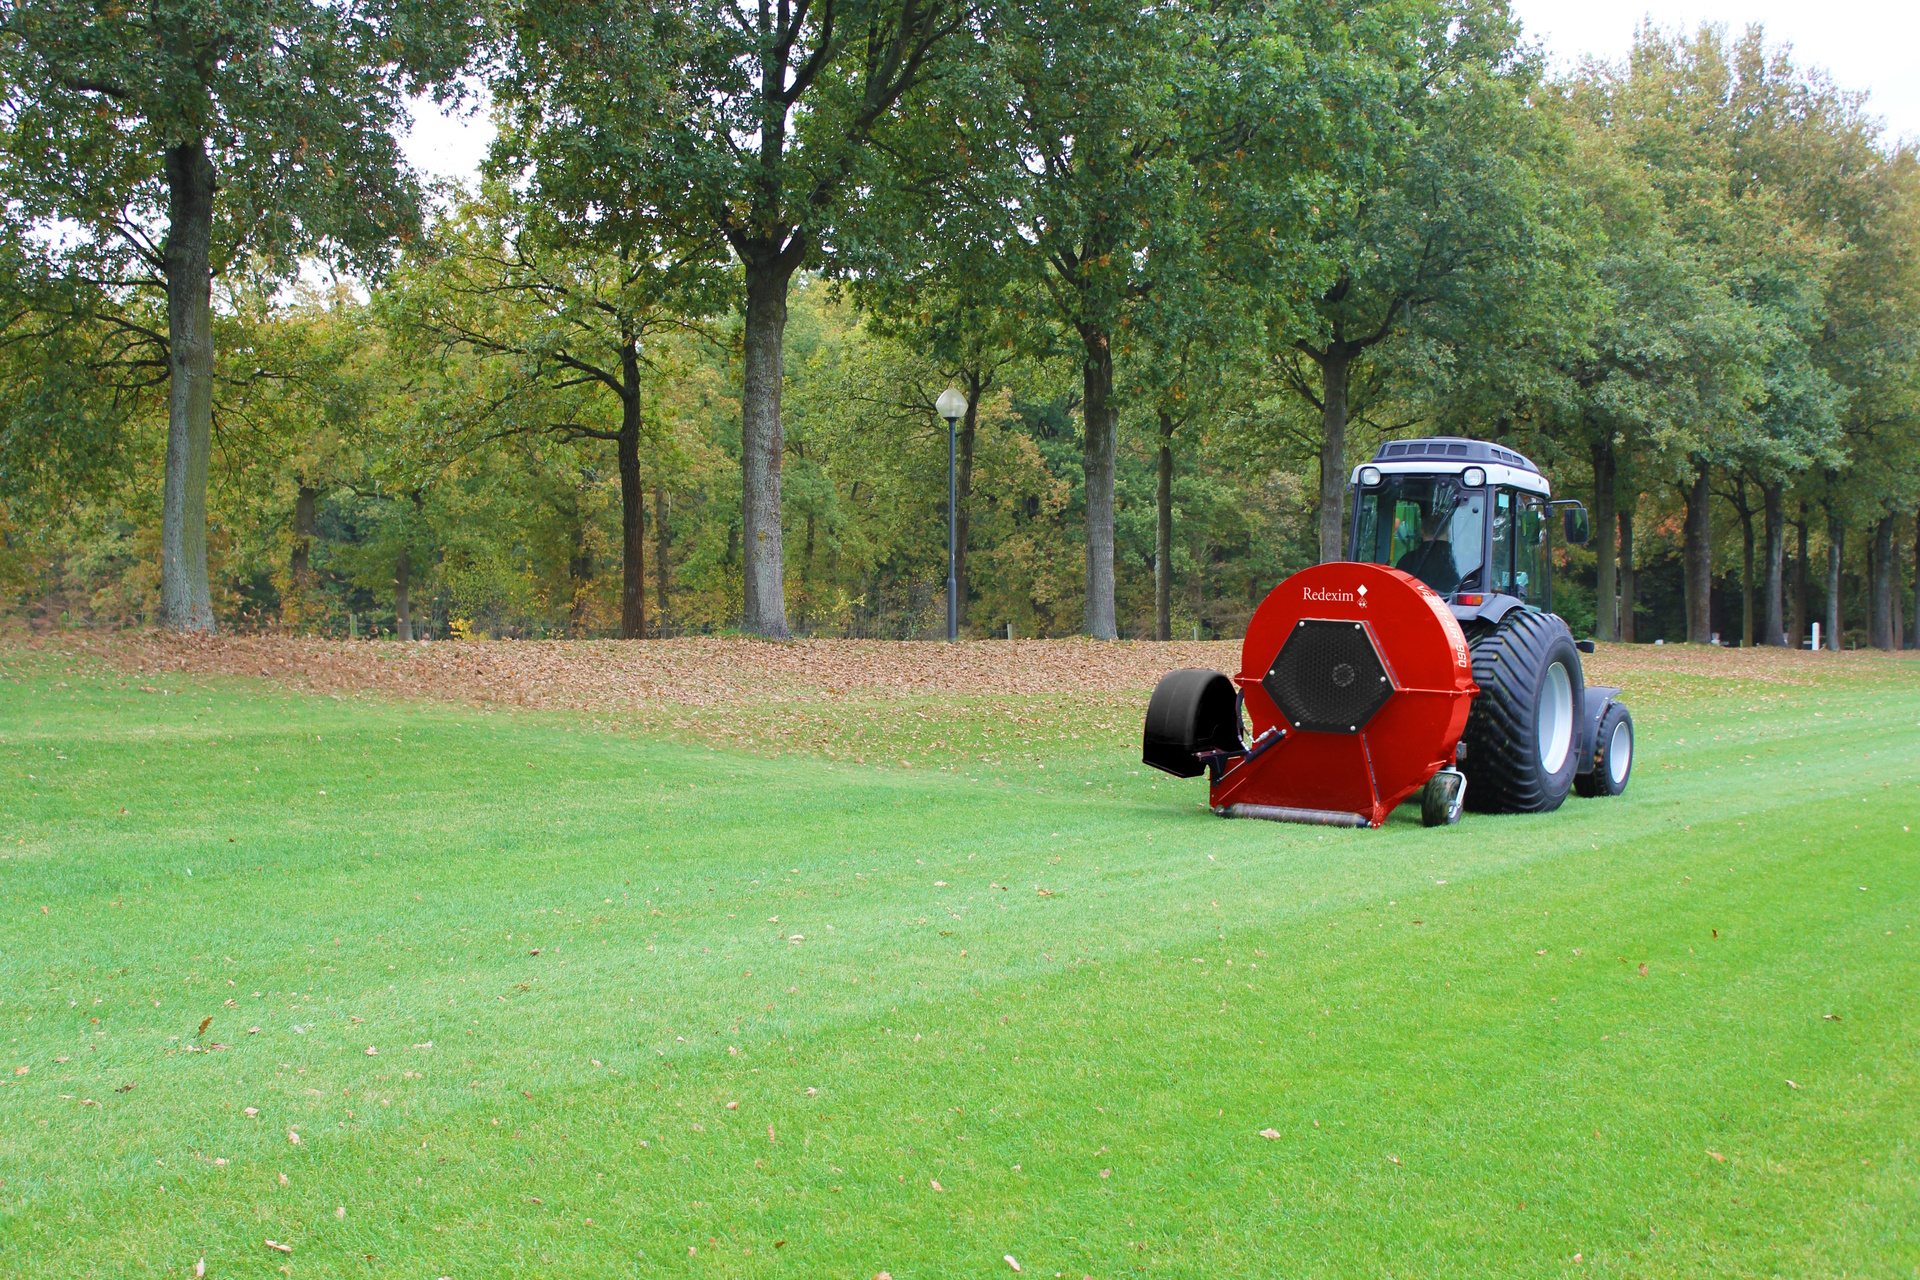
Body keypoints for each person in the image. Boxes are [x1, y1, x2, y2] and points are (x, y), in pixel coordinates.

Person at [1396, 507, 1462, 595]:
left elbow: (1397, 590)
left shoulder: (1407, 561)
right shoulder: (1459, 561)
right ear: (1449, 532)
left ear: (1422, 531)